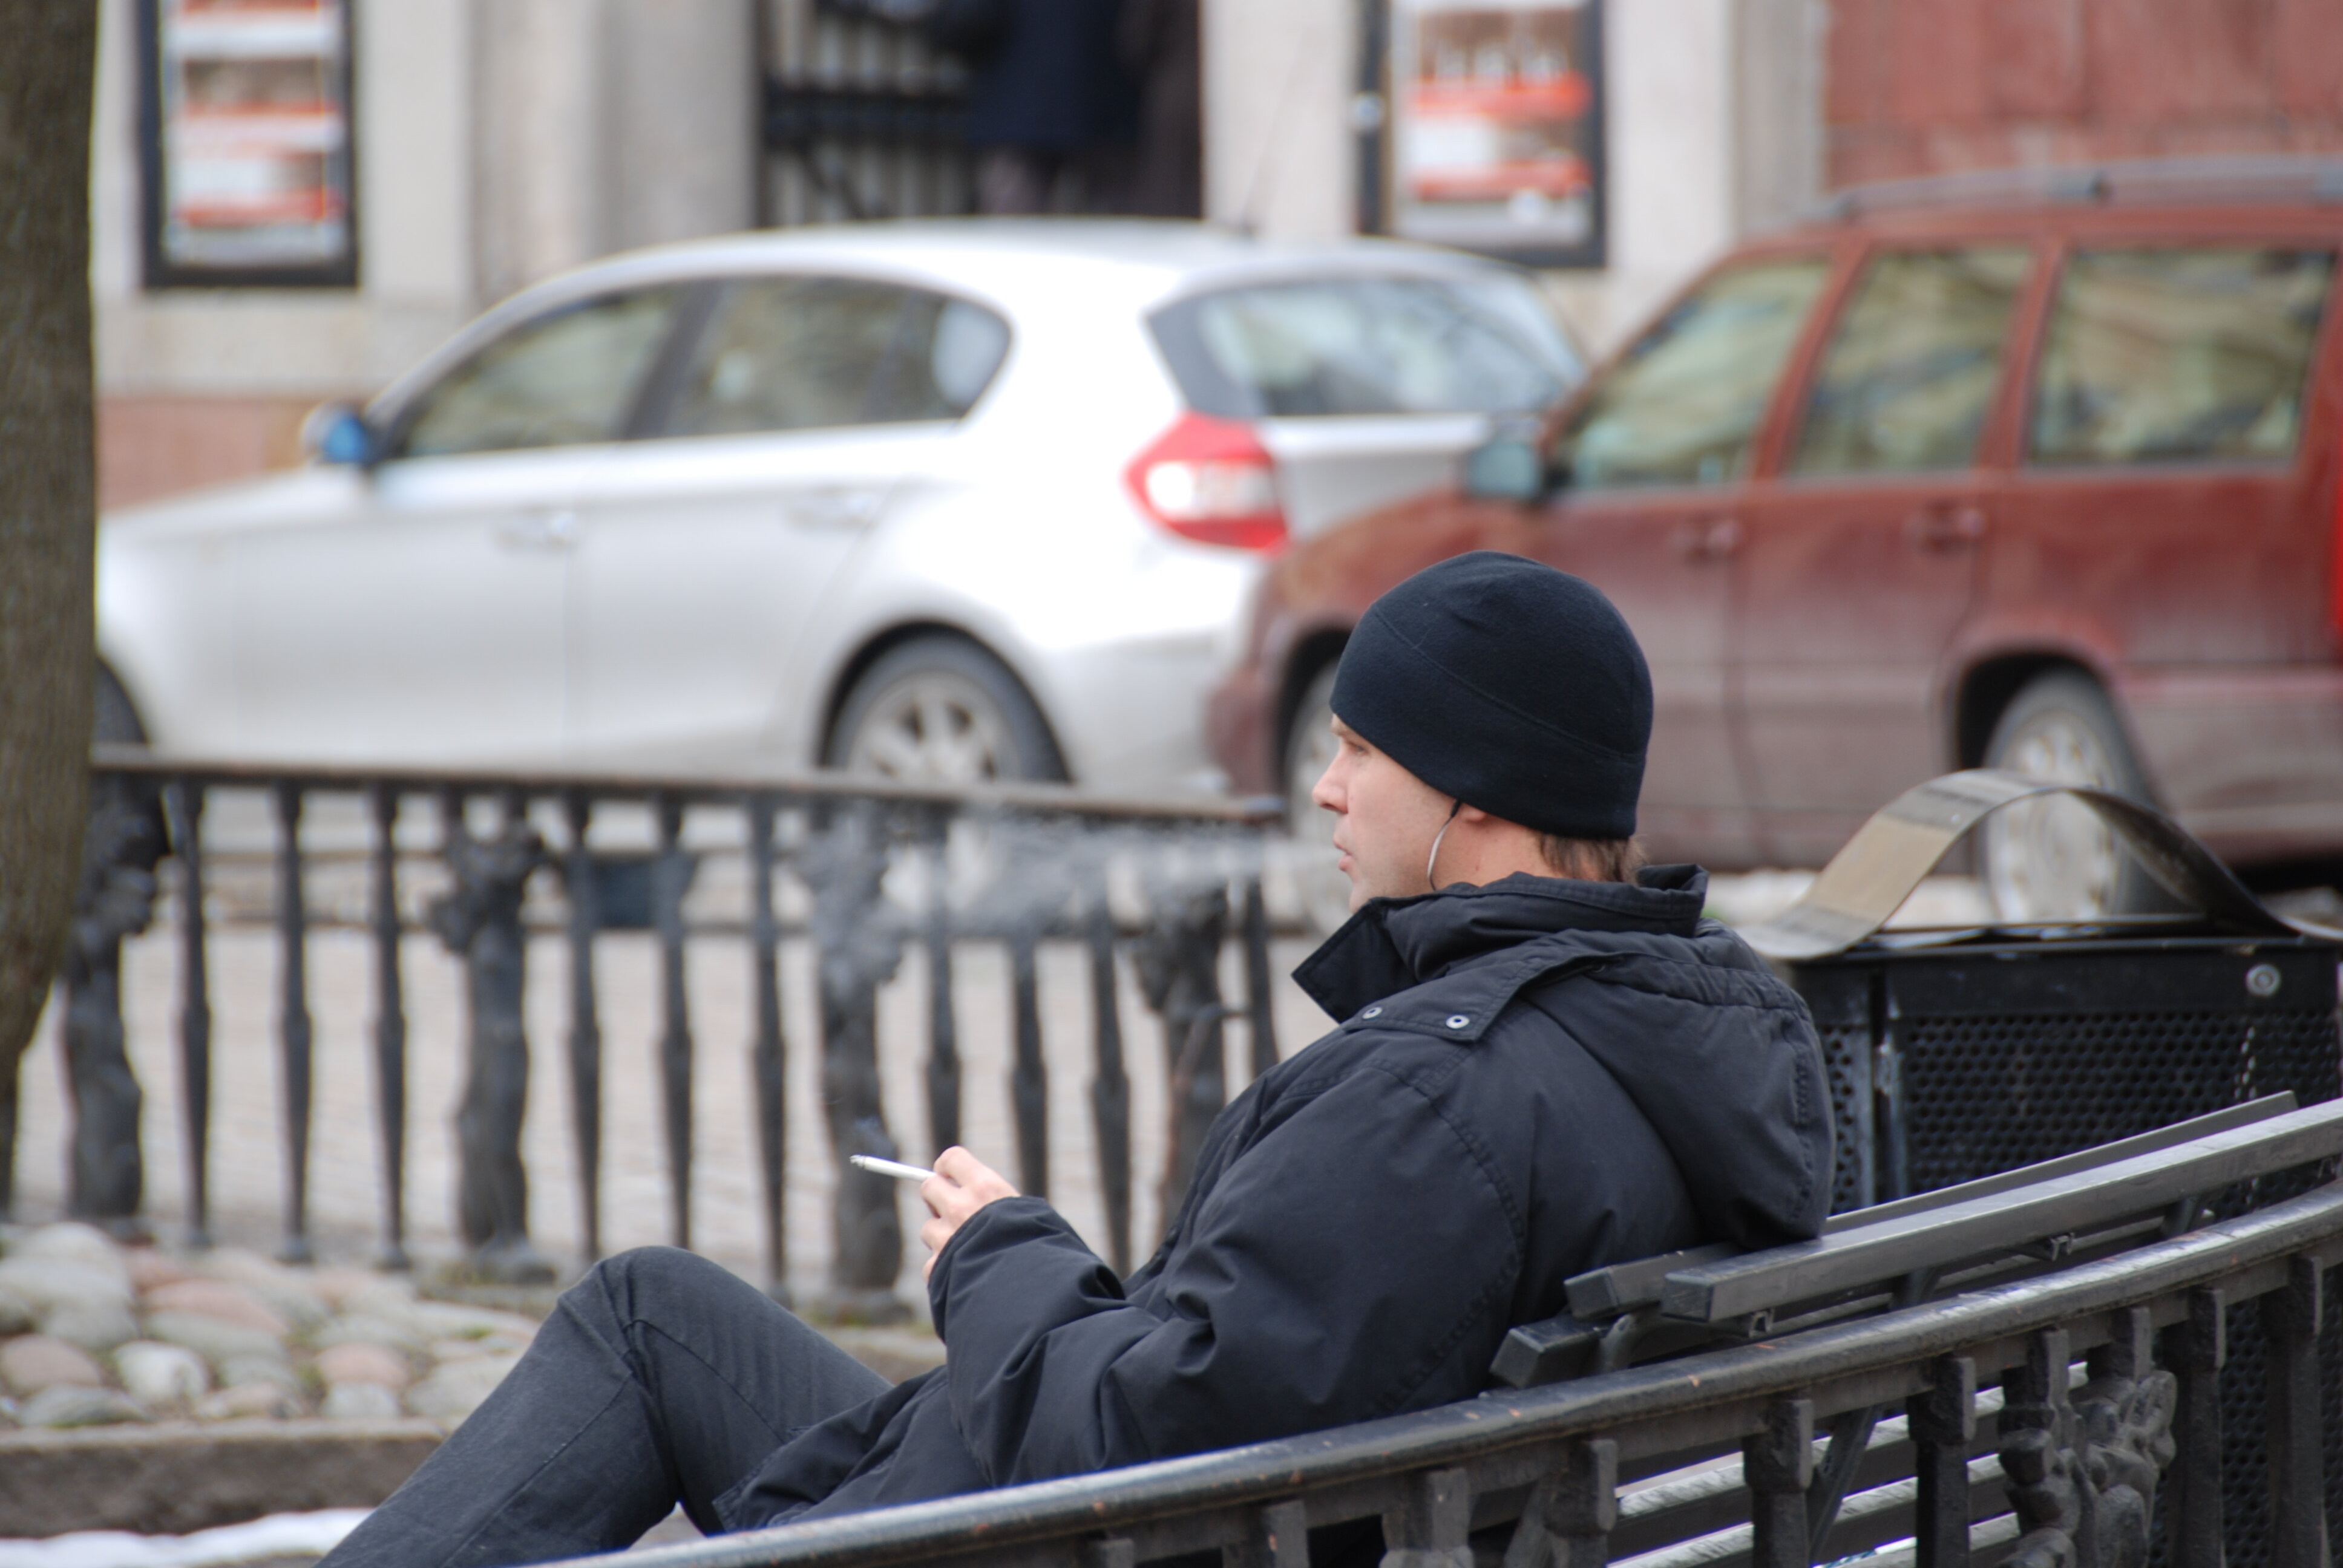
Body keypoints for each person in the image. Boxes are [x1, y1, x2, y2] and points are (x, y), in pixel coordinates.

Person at [323, 552, 1831, 1568]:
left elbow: (1137, 1445)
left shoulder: (1436, 1099)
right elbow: (1250, 1380)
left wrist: (997, 1252)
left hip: (1059, 1531)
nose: (1324, 786)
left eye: (1362, 750)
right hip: (1186, 1505)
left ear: (1477, 794)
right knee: (657, 1309)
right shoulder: (1659, 1032)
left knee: (637, 1320)